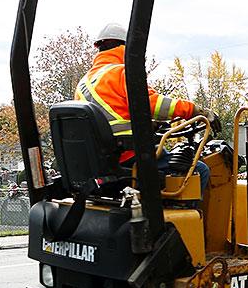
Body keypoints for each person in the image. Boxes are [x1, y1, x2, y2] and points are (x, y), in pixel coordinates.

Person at [75, 23, 213, 189]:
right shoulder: (122, 72)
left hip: (102, 164)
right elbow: (154, 104)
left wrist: (148, 124)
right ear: (126, 47)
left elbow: (112, 115)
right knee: (200, 170)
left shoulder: (84, 83)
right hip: (130, 158)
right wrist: (194, 110)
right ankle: (187, 213)